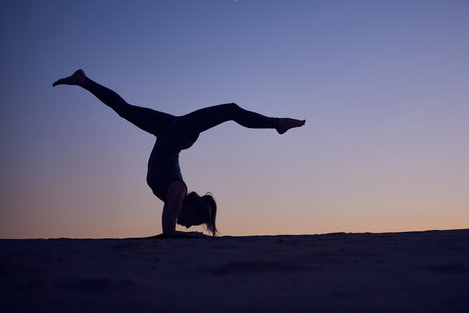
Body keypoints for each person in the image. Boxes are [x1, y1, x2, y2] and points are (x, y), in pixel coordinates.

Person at [53, 69, 305, 237]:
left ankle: (83, 80)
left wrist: (187, 233)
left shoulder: (173, 192)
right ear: (192, 209)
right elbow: (168, 232)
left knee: (124, 109)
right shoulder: (177, 191)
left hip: (167, 130)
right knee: (231, 109)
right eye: (191, 222)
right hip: (182, 131)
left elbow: (169, 229)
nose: (185, 224)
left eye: (189, 226)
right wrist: (190, 236)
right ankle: (277, 123)